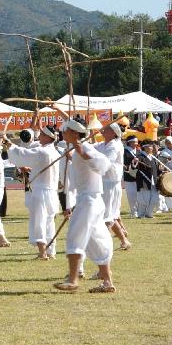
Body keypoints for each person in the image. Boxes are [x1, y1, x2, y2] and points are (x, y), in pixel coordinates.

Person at [53, 119, 115, 293]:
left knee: (75, 236)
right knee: (96, 241)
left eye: (66, 131)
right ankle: (107, 281)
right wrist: (76, 155)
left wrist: (83, 153)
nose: (62, 133)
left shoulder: (85, 148)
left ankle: (73, 279)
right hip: (88, 200)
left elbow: (103, 164)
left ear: (74, 133)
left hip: (90, 200)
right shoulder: (78, 148)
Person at [6, 126, 61, 259]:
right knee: (49, 222)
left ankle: (43, 252)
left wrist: (9, 144)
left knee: (39, 221)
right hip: (51, 192)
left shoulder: (43, 151)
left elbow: (22, 155)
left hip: (41, 191)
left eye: (42, 134)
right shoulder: (54, 152)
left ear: (48, 137)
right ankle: (50, 251)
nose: (39, 136)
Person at [95, 123, 131, 250]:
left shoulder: (114, 146)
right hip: (105, 182)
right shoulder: (103, 144)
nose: (103, 130)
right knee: (110, 215)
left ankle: (105, 244)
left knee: (106, 215)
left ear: (113, 133)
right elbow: (91, 148)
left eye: (107, 129)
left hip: (110, 183)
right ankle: (123, 240)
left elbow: (105, 163)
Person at [134, 141, 168, 218]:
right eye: (150, 146)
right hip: (144, 181)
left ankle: (149, 213)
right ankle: (141, 214)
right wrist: (135, 162)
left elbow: (155, 170)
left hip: (153, 181)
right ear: (145, 147)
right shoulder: (140, 157)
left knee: (155, 198)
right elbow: (134, 166)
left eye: (152, 146)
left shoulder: (152, 157)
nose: (152, 148)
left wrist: (160, 170)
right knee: (144, 199)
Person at [122, 136, 139, 218]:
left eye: (137, 141)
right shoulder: (124, 151)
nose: (136, 143)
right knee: (131, 194)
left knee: (138, 194)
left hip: (138, 176)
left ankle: (139, 210)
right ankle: (133, 211)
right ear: (130, 142)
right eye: (135, 141)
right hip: (128, 175)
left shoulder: (138, 151)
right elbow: (121, 162)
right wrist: (125, 166)